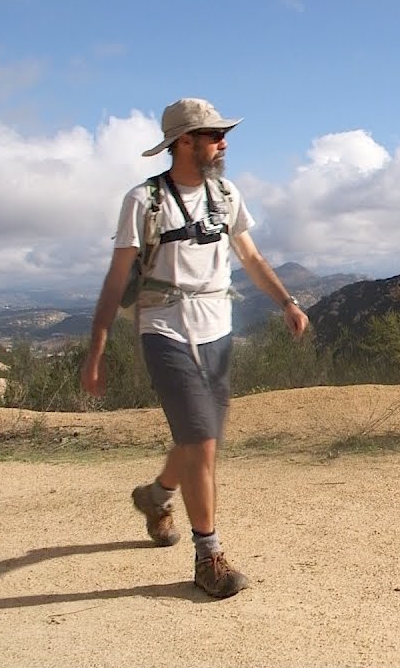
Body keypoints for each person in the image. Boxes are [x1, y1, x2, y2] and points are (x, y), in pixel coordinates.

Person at [80, 97, 308, 599]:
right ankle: (209, 557)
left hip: (217, 331)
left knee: (197, 439)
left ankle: (156, 496)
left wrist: (287, 302)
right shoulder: (143, 201)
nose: (223, 141)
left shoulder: (227, 195)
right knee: (202, 441)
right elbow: (117, 278)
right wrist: (95, 350)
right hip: (163, 330)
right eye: (213, 134)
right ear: (184, 142)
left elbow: (249, 256)